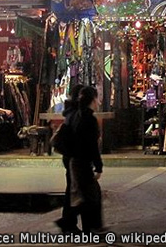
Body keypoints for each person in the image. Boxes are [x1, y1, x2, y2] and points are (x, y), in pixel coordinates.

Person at [66, 86, 104, 233]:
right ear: (93, 100)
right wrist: (98, 166)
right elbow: (92, 146)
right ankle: (90, 228)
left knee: (85, 195)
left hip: (75, 161)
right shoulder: (88, 119)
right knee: (89, 196)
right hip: (81, 162)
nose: (99, 102)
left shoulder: (77, 115)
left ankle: (87, 227)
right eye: (97, 98)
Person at [55, 84, 85, 234]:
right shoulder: (77, 114)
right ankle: (68, 221)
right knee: (78, 190)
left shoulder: (71, 111)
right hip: (75, 156)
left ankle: (68, 221)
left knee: (73, 189)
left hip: (71, 156)